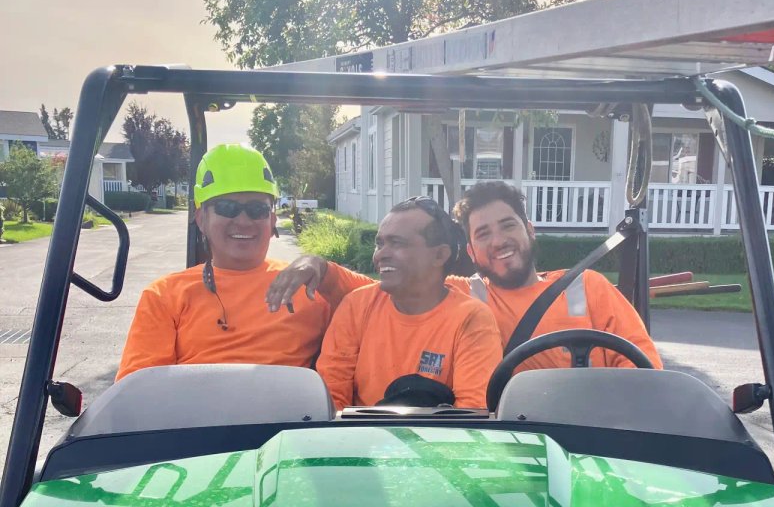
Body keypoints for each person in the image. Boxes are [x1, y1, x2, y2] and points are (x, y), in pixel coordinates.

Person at [266, 181, 662, 374]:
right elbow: (379, 286)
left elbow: (644, 375)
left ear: (530, 230)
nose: (499, 241)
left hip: (589, 446)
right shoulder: (463, 294)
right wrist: (314, 263)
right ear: (470, 253)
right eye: (483, 234)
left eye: (508, 226)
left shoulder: (587, 288)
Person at [117, 144, 330, 381]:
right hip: (196, 417)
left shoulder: (309, 288)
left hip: (287, 417)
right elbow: (138, 391)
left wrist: (323, 266)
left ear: (271, 219)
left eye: (256, 209)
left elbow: (374, 303)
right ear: (201, 219)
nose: (243, 221)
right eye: (227, 208)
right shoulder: (165, 297)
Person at [316, 197, 502, 409]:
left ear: (440, 255)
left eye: (397, 243)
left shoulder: (471, 318)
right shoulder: (356, 306)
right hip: (356, 437)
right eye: (380, 243)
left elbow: (471, 414)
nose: (380, 255)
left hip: (437, 440)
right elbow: (330, 403)